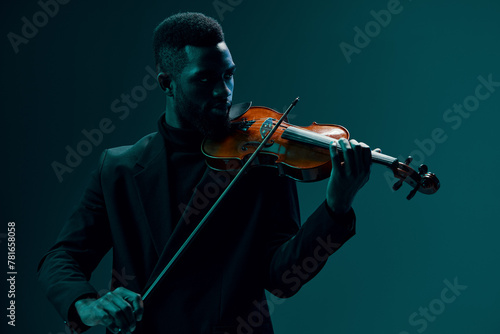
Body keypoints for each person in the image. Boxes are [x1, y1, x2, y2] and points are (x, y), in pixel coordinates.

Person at [37, 12, 372, 334]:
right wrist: (87, 304)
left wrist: (335, 208)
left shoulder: (260, 157)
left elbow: (283, 279)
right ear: (167, 84)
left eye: (229, 75)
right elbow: (62, 257)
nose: (223, 91)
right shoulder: (118, 168)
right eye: (205, 78)